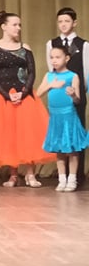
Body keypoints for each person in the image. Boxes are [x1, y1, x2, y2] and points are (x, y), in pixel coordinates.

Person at [0, 11, 51, 188]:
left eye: (19, 25)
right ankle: (13, 175)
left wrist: (24, 93)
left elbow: (31, 72)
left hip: (24, 95)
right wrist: (7, 95)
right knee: (10, 135)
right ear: (4, 27)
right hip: (3, 97)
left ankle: (30, 174)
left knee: (28, 133)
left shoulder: (25, 48)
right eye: (14, 24)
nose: (18, 28)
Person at [46, 7, 88, 188]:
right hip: (58, 97)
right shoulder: (52, 43)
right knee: (60, 134)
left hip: (76, 95)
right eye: (60, 21)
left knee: (76, 136)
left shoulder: (83, 44)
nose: (63, 24)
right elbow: (51, 70)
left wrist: (79, 93)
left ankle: (77, 176)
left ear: (74, 23)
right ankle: (63, 177)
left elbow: (86, 71)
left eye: (67, 21)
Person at [37, 46, 87, 192]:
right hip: (55, 117)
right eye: (52, 57)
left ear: (67, 58)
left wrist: (73, 95)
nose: (54, 60)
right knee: (59, 150)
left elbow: (77, 100)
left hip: (69, 116)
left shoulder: (73, 76)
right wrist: (50, 85)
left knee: (72, 150)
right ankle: (62, 179)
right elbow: (38, 93)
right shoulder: (49, 76)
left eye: (57, 57)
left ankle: (72, 179)